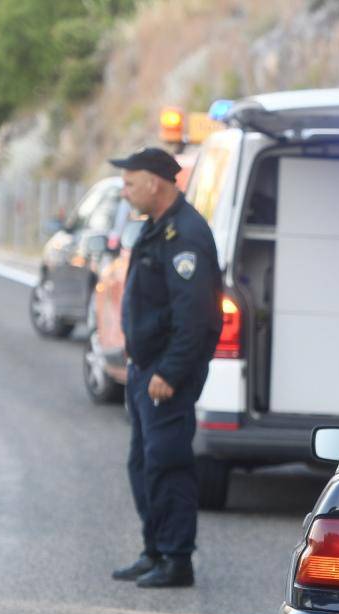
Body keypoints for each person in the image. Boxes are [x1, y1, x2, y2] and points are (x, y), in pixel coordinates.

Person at [108, 147, 222, 589]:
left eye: (130, 182)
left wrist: (170, 372)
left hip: (164, 375)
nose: (125, 191)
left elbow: (196, 317)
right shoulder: (158, 228)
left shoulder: (186, 235)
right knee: (143, 463)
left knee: (167, 463)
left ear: (156, 182)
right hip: (145, 370)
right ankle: (154, 549)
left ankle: (177, 560)